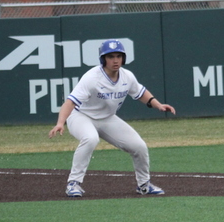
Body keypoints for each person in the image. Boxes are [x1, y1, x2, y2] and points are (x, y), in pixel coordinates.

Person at [48, 39, 175, 197]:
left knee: (139, 146)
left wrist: (158, 105)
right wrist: (60, 123)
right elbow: (70, 102)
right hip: (81, 116)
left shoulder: (127, 76)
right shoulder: (92, 78)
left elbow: (140, 93)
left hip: (107, 118)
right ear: (103, 59)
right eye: (110, 56)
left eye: (118, 56)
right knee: (90, 138)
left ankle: (144, 185)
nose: (115, 60)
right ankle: (73, 183)